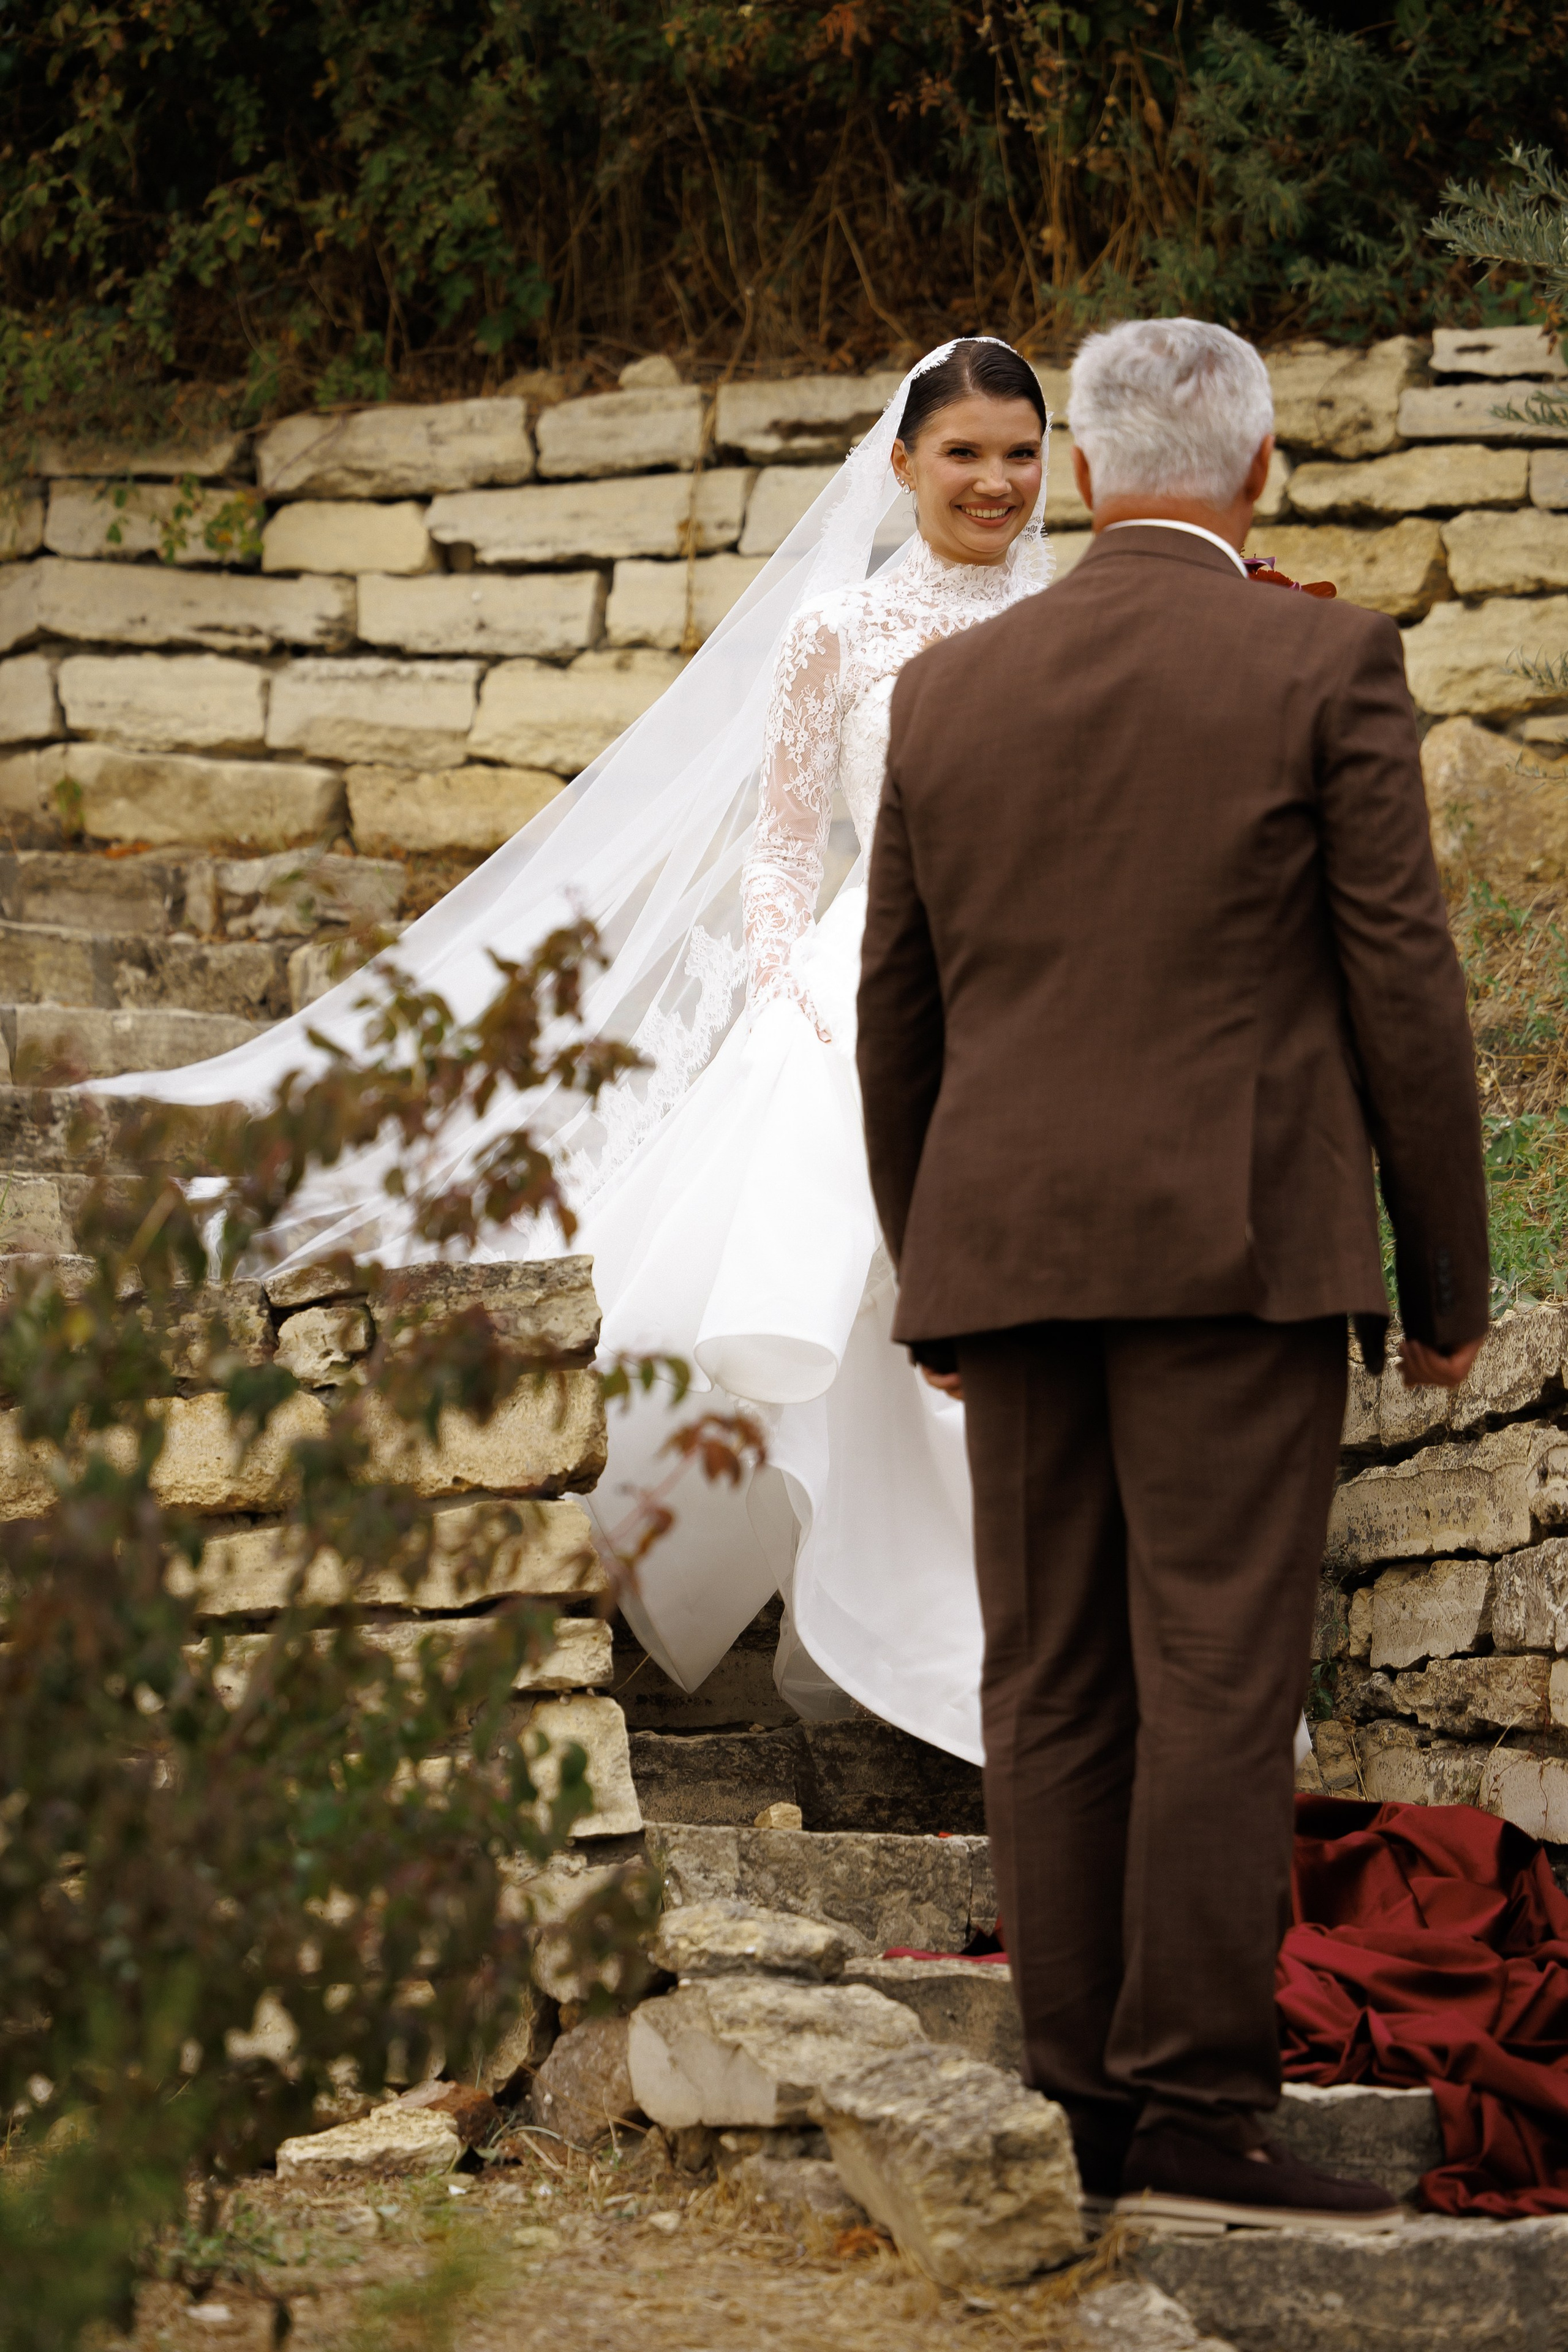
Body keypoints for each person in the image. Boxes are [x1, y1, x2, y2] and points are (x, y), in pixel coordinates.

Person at [89, 339, 1056, 1755]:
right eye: (963, 451)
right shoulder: (834, 635)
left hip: (1046, 995)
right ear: (899, 464)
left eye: (1021, 452)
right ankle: (904, 1634)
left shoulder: (1076, 624)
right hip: (867, 986)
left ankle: (1003, 1652)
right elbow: (785, 850)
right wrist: (798, 986)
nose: (994, 480)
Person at [855, 316, 1489, 2230]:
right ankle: (1200, 2108)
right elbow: (1404, 984)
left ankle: (1071, 2098)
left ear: (1078, 472)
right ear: (1262, 471)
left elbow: (897, 1018)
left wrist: (930, 1271)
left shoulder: (953, 692)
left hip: (1012, 1253)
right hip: (1239, 1255)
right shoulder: (1323, 656)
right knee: (1214, 1676)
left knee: (1049, 1676)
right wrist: (1447, 1282)